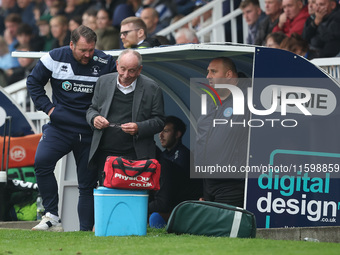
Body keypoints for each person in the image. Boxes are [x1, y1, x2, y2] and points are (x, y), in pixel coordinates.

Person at [27, 25, 116, 231]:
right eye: (82, 50)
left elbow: (116, 92)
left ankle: (86, 231)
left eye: (91, 50)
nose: (87, 55)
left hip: (90, 130)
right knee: (42, 162)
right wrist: (49, 109)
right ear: (71, 45)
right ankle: (51, 217)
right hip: (60, 127)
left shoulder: (105, 61)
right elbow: (33, 82)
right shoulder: (54, 57)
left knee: (86, 184)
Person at [86, 49, 165, 181]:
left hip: (136, 156)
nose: (126, 75)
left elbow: (160, 121)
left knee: (134, 197)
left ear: (140, 70)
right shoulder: (103, 82)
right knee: (107, 197)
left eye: (131, 71)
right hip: (105, 155)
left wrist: (139, 127)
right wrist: (94, 118)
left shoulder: (152, 88)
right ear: (117, 65)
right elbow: (91, 109)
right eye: (122, 69)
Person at [194, 57, 251, 208]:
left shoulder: (247, 99)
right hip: (207, 181)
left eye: (213, 71)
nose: (208, 76)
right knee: (208, 230)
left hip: (231, 183)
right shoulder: (210, 101)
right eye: (207, 72)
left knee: (224, 230)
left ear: (229, 75)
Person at [148, 116, 203, 228]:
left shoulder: (183, 155)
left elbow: (172, 188)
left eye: (166, 131)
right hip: (170, 201)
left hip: (184, 205)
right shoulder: (164, 155)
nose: (161, 135)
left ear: (177, 134)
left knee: (154, 216)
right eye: (160, 131)